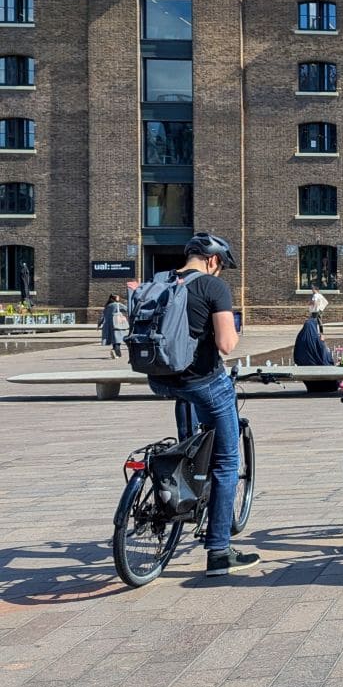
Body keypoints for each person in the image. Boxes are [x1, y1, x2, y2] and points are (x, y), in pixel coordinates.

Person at [144, 232, 259, 576]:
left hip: (161, 381)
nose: (220, 272)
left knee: (189, 443)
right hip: (204, 382)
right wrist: (232, 327)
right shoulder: (212, 287)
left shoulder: (161, 281)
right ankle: (219, 551)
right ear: (212, 261)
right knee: (226, 463)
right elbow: (226, 344)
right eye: (221, 266)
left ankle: (181, 483)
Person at [293, 316, 338, 393]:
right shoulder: (316, 339)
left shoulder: (300, 337)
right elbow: (324, 356)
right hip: (325, 381)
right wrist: (322, 342)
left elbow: (296, 356)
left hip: (307, 376)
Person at [98, 293, 128, 359]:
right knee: (118, 340)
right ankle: (116, 352)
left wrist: (99, 324)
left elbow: (102, 316)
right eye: (118, 297)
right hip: (117, 325)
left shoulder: (107, 306)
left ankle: (116, 353)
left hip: (108, 326)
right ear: (115, 298)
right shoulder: (118, 305)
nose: (119, 298)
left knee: (114, 340)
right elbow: (127, 309)